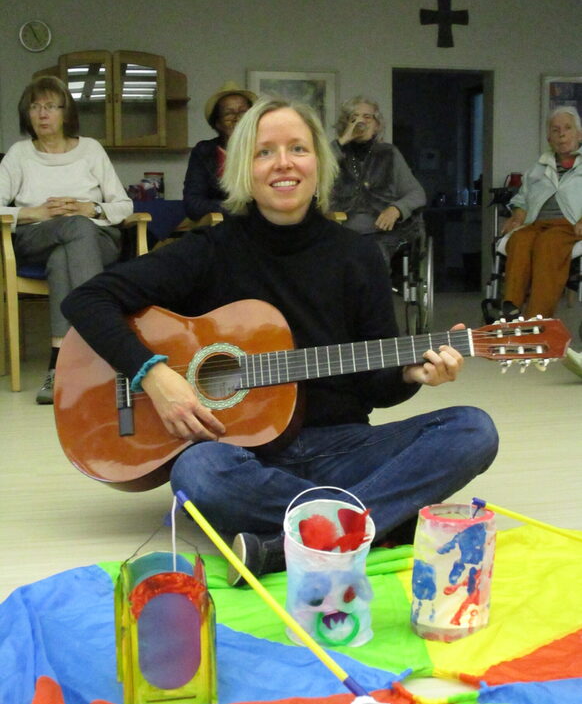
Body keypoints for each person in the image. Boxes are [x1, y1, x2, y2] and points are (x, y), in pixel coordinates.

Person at [62, 98, 498, 587]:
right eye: (265, 152)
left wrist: (410, 373)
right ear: (245, 170)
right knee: (198, 471)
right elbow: (88, 300)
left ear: (319, 163)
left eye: (298, 148)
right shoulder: (212, 250)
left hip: (342, 446)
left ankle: (291, 537)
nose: (284, 163)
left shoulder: (358, 257)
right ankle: (370, 517)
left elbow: (378, 389)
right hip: (241, 455)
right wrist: (154, 374)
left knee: (472, 429)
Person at [0, 75, 132, 404]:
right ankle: (105, 343)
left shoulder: (90, 150)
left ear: (65, 113)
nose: (42, 114)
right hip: (36, 236)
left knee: (66, 250)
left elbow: (125, 205)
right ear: (26, 114)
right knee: (73, 229)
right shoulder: (19, 154)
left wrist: (90, 207)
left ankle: (58, 363)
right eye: (35, 107)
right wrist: (34, 213)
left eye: (50, 106)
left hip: (96, 236)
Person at [500, 106, 582, 320]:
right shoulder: (538, 167)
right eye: (555, 130)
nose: (561, 134)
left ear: (579, 134)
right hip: (535, 223)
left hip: (569, 224)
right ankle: (511, 306)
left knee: (548, 244)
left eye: (567, 128)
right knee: (519, 240)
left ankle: (537, 316)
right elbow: (522, 198)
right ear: (549, 137)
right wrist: (518, 216)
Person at [330, 96, 426, 265]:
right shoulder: (333, 153)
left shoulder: (389, 154)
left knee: (373, 255)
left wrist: (396, 209)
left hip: (383, 232)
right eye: (354, 117)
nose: (361, 122)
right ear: (345, 124)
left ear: (377, 125)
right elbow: (315, 171)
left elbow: (417, 194)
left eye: (367, 117)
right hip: (342, 231)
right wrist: (344, 140)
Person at [182, 81, 257, 222]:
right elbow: (193, 205)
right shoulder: (204, 151)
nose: (237, 118)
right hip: (218, 228)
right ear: (217, 123)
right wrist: (240, 209)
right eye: (228, 113)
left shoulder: (267, 149)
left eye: (243, 112)